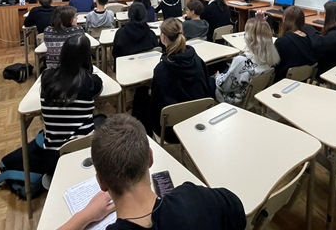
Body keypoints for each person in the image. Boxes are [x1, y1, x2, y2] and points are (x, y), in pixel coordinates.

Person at [57, 114, 246, 230]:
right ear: (150, 158)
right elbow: (237, 211)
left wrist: (84, 216)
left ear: (101, 182)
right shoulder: (193, 197)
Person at [40, 34, 102, 175]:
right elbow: (98, 86)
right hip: (84, 155)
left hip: (52, 158)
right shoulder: (90, 82)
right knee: (103, 119)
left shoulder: (46, 77)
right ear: (87, 57)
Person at [150, 18, 213, 141]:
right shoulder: (198, 60)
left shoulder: (161, 70)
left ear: (163, 38)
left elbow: (156, 104)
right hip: (198, 121)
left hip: (170, 131)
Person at [214, 16, 280, 106]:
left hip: (233, 99)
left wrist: (217, 77)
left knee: (209, 80)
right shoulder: (270, 57)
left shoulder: (241, 61)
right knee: (224, 67)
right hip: (252, 97)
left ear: (250, 38)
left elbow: (224, 86)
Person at [273, 6, 317, 82]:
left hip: (283, 81)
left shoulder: (282, 42)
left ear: (284, 19)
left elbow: (273, 65)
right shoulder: (309, 39)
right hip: (302, 81)